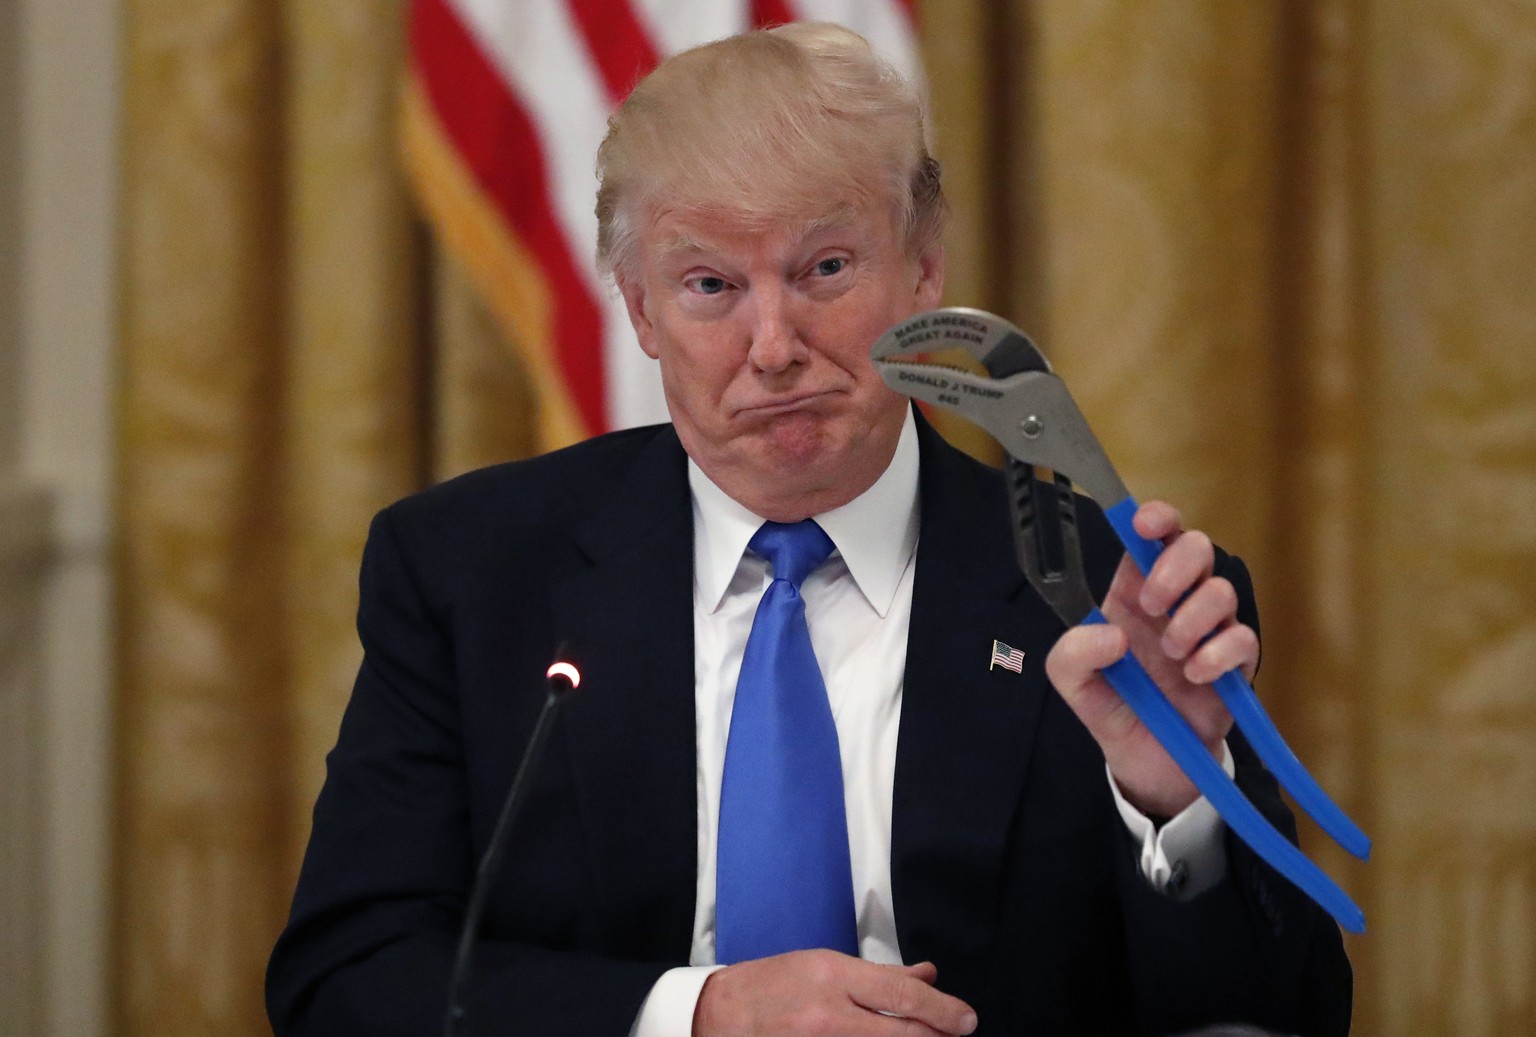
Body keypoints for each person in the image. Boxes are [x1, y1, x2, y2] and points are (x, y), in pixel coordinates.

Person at [266, 23, 1351, 1037]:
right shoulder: (472, 572)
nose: (773, 344)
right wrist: (700, 1014)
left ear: (924, 269)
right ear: (639, 310)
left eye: (826, 269)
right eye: (710, 286)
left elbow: (1281, 1012)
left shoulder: (1113, 596)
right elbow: (345, 979)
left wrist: (1174, 794)